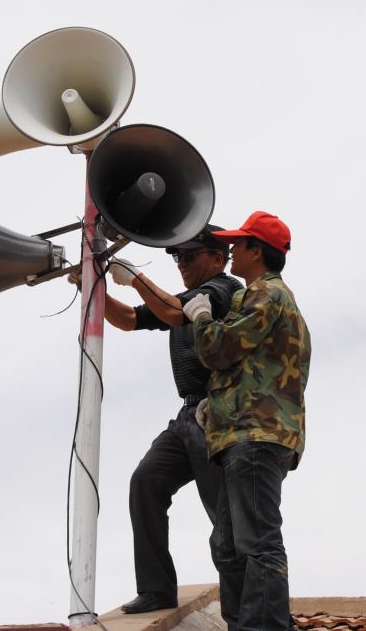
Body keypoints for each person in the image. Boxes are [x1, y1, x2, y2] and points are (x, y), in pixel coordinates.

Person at [99, 226, 242, 614]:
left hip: (218, 416)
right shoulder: (178, 300)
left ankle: (243, 613)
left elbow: (178, 313)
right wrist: (92, 290)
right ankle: (156, 590)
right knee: (146, 482)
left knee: (226, 520)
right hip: (187, 414)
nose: (181, 264)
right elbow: (129, 319)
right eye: (177, 258)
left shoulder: (225, 290)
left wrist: (135, 278)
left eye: (188, 257)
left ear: (218, 258)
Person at [181, 211, 310, 631]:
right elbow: (242, 365)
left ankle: (265, 626)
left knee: (257, 542)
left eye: (240, 244)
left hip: (254, 435)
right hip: (247, 433)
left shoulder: (267, 295)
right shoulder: (265, 297)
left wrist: (201, 316)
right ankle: (244, 623)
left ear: (258, 251)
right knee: (229, 545)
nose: (232, 250)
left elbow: (217, 349)